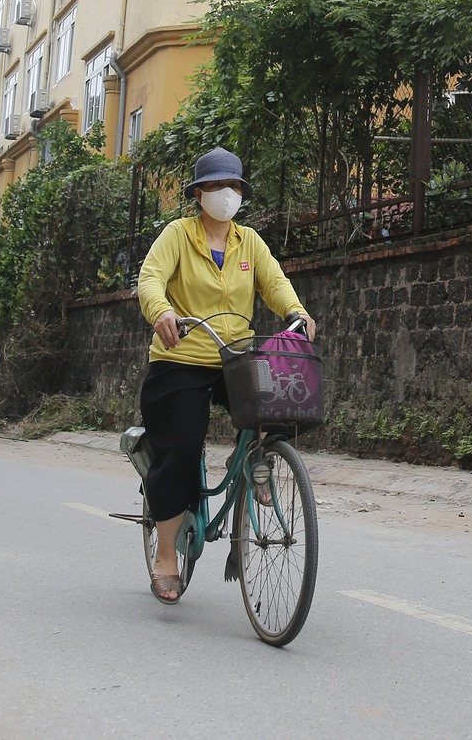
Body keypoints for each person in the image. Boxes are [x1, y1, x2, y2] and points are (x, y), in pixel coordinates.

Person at [135, 147, 316, 606]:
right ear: (199, 194)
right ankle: (167, 558)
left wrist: (295, 310)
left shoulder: (249, 242)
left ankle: (260, 463)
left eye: (233, 186)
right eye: (217, 186)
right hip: (182, 357)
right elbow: (150, 279)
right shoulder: (178, 235)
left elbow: (274, 283)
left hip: (234, 357)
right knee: (180, 447)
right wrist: (161, 312)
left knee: (277, 403)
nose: (227, 194)